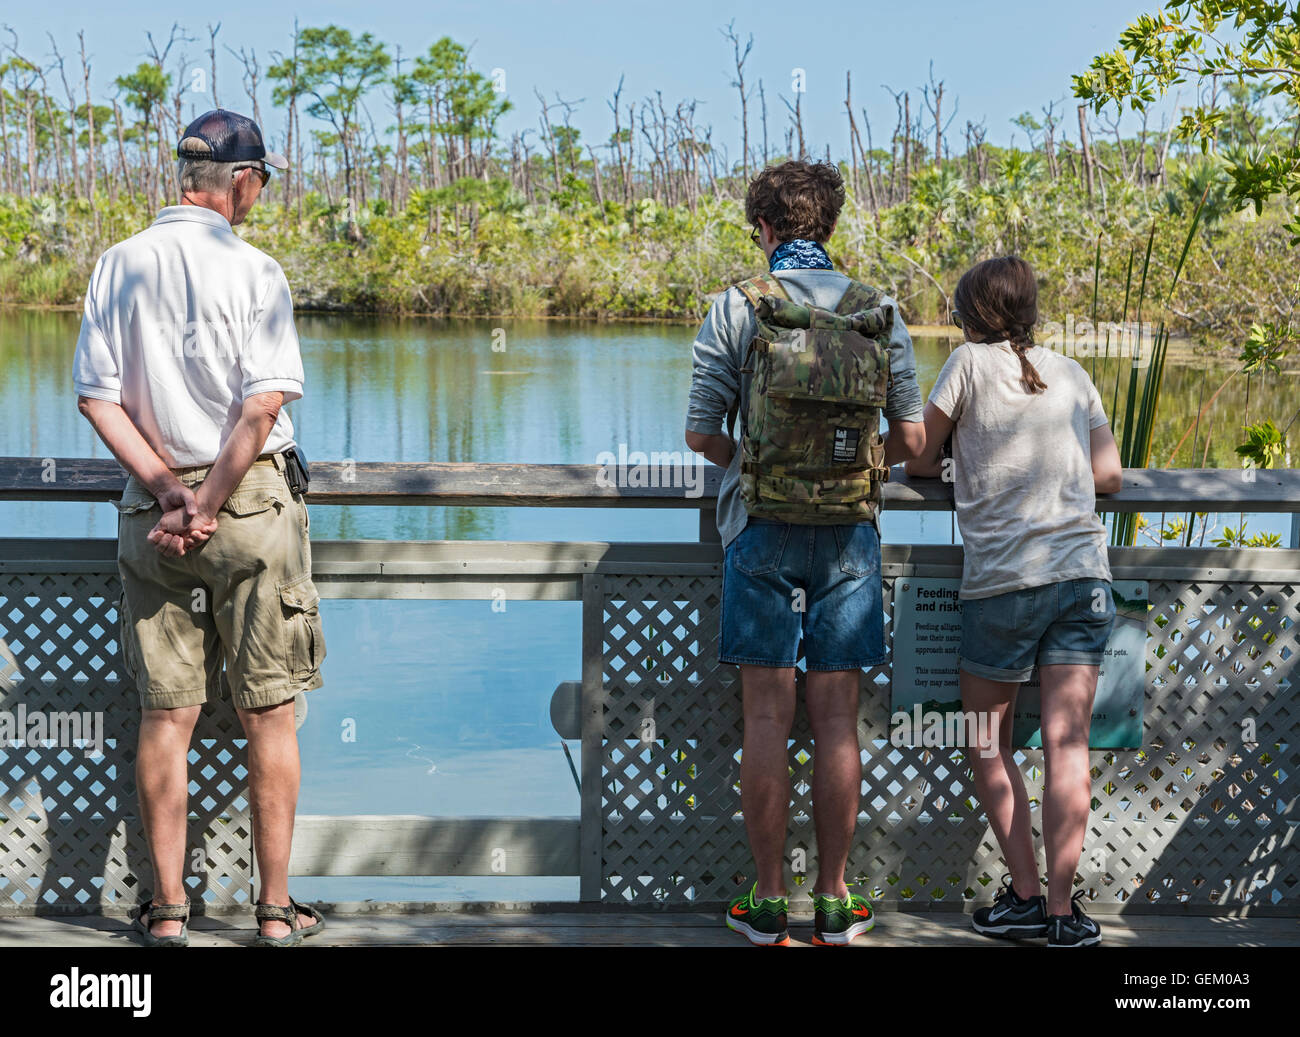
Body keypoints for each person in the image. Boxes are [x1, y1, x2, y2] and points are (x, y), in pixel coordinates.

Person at [74, 110, 327, 947]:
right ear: (245, 182)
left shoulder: (118, 263)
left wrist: (166, 490)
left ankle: (170, 909)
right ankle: (275, 909)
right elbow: (262, 406)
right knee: (271, 714)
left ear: (185, 178)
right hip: (248, 508)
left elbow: (98, 398)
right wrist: (213, 500)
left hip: (154, 516)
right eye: (263, 183)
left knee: (165, 717)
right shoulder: (256, 270)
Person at [685, 160, 926, 946]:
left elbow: (700, 433)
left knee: (764, 716)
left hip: (759, 531)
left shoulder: (737, 306)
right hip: (851, 535)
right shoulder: (879, 310)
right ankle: (833, 900)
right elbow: (914, 439)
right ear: (829, 227)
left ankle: (766, 903)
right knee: (837, 725)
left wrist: (760, 465)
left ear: (764, 228)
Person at [905, 255, 1123, 947]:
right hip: (1083, 577)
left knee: (987, 742)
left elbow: (916, 454)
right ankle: (1065, 913)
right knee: (1068, 745)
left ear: (972, 314)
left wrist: (954, 465)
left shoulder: (967, 364)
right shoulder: (1073, 370)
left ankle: (1024, 894)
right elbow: (1109, 476)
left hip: (1002, 582)